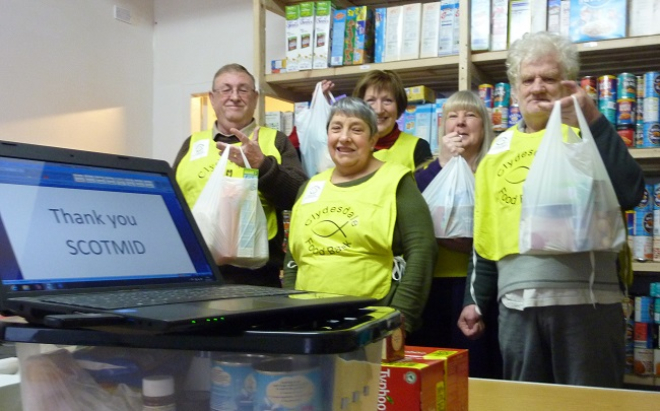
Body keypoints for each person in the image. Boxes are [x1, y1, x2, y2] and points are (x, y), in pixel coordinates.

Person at [457, 32, 646, 388]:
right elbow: (485, 233)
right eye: (528, 79)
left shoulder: (588, 134)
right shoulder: (497, 150)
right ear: (514, 90)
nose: (538, 87)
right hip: (516, 306)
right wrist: (475, 300)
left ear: (568, 85)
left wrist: (591, 118)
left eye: (550, 78)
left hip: (588, 302)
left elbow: (631, 191)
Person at [282, 97, 438, 334]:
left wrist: (401, 316)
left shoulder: (396, 181)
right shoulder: (311, 187)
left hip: (372, 321)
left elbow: (422, 251)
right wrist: (292, 307)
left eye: (356, 129)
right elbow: (294, 257)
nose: (344, 137)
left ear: (373, 139)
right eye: (336, 128)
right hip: (309, 321)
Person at [173, 63, 307, 287]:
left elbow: (299, 197)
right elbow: (173, 204)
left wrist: (263, 165)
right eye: (226, 89)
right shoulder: (192, 144)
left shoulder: (275, 141)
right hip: (194, 274)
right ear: (212, 97)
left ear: (255, 98)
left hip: (257, 278)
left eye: (243, 89)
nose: (234, 97)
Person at [406, 90, 502, 379]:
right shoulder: (424, 173)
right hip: (431, 287)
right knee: (431, 371)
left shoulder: (496, 171)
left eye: (470, 115)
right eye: (452, 117)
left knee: (476, 371)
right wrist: (443, 165)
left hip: (479, 290)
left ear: (484, 126)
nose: (460, 123)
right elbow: (412, 217)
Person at [321, 70, 433, 172]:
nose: (379, 110)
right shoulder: (346, 146)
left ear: (399, 106)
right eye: (371, 100)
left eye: (387, 101)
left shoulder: (418, 147)